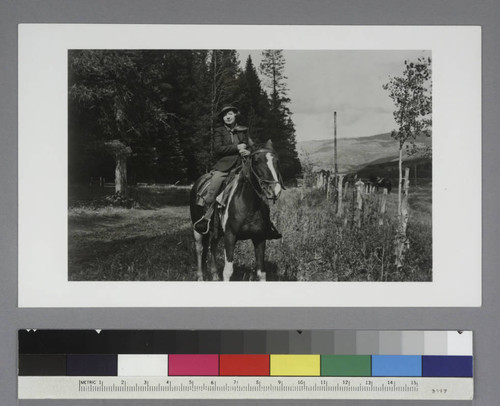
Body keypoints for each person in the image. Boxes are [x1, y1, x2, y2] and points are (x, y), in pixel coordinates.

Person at [194, 105, 281, 240]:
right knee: (214, 186)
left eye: (230, 114)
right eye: (224, 115)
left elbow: (253, 147)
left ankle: (267, 225)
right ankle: (206, 219)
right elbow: (218, 149)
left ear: (235, 115)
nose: (227, 117)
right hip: (224, 167)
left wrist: (249, 152)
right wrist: (237, 147)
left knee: (260, 190)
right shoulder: (219, 131)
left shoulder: (244, 130)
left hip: (243, 166)